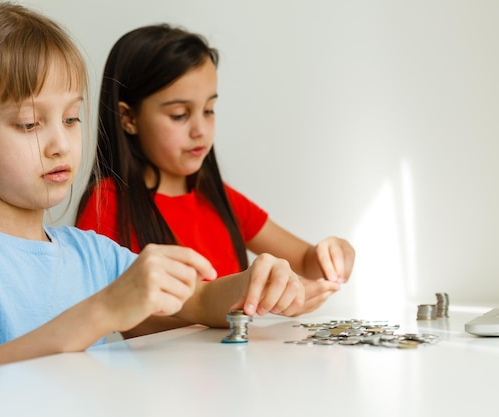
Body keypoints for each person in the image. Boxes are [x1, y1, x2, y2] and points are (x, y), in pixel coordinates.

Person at [0, 3, 305, 382]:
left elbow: (201, 300)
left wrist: (255, 284)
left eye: (72, 118)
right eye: (29, 123)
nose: (60, 143)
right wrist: (102, 310)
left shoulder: (91, 254)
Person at [76, 24, 356, 334]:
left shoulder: (218, 197)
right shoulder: (108, 202)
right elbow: (102, 313)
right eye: (179, 114)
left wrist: (330, 255)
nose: (200, 129)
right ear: (128, 118)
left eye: (209, 110)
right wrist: (226, 303)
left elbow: (305, 259)